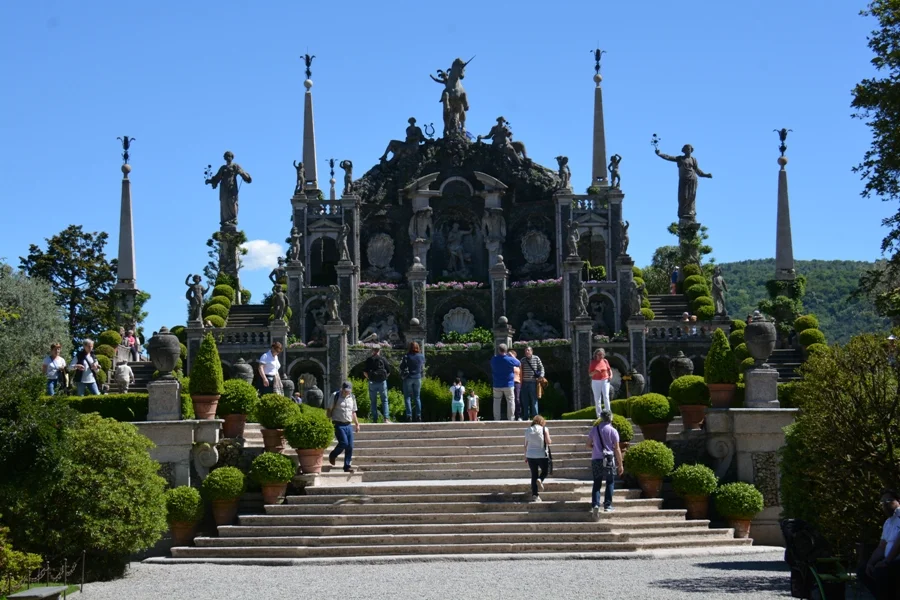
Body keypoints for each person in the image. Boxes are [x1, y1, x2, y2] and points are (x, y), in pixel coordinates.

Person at [858, 489, 900, 599]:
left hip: (896, 560)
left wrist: (886, 561)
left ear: (898, 501)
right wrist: (870, 563)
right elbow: (882, 546)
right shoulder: (888, 523)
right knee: (863, 572)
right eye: (882, 502)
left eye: (889, 500)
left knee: (882, 572)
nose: (885, 504)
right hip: (889, 560)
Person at [588, 410, 624, 518]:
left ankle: (595, 504)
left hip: (596, 459)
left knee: (597, 483)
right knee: (610, 482)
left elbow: (588, 444)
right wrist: (620, 464)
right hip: (608, 460)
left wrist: (595, 448)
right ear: (611, 418)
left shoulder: (594, 429)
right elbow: (617, 448)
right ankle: (607, 505)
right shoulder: (613, 431)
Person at [326, 382, 360, 473]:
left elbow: (353, 412)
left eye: (348, 391)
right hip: (338, 423)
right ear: (342, 388)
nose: (346, 393)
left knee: (350, 446)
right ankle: (333, 455)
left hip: (348, 424)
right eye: (345, 391)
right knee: (344, 443)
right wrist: (327, 421)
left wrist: (357, 424)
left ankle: (347, 466)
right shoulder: (335, 395)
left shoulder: (352, 397)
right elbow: (329, 409)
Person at [524, 415, 552, 502]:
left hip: (530, 455)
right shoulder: (544, 429)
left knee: (534, 475)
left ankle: (535, 495)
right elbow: (548, 441)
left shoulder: (528, 430)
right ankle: (540, 479)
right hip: (542, 455)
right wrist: (550, 441)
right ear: (542, 422)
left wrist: (525, 456)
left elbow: (525, 445)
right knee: (545, 471)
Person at [490, 344, 520, 421]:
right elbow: (518, 363)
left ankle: (496, 418)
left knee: (496, 401)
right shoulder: (509, 359)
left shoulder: (494, 359)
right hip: (508, 384)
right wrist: (512, 356)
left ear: (499, 350)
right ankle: (511, 418)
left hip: (497, 384)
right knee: (510, 401)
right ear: (506, 350)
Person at [364, 348, 391, 424]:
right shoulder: (383, 359)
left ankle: (374, 420)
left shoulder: (369, 359)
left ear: (372, 351)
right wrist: (384, 378)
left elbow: (365, 372)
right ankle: (386, 419)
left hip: (372, 382)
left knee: (373, 401)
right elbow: (388, 371)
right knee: (384, 400)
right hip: (382, 382)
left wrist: (370, 378)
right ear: (379, 351)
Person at [400, 342, 426, 422]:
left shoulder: (407, 356)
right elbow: (422, 366)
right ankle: (418, 415)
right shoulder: (421, 356)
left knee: (407, 397)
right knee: (417, 397)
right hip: (418, 378)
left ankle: (409, 415)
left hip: (408, 377)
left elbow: (402, 367)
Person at [519, 346, 545, 421]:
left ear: (532, 351)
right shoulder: (522, 360)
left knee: (534, 400)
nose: (527, 352)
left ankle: (535, 418)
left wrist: (541, 376)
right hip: (524, 383)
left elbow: (541, 368)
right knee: (525, 401)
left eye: (528, 350)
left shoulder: (536, 358)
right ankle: (525, 417)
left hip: (533, 382)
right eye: (526, 351)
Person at [589, 348, 612, 416]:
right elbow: (590, 374)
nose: (600, 356)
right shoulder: (593, 362)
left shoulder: (605, 361)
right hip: (596, 381)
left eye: (602, 354)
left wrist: (611, 375)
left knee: (606, 396)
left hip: (605, 380)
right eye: (599, 354)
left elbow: (609, 369)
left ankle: (609, 413)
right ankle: (599, 415)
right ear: (596, 355)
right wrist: (595, 372)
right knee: (597, 398)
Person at [509, 349, 523, 420]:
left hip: (517, 382)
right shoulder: (508, 363)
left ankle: (518, 415)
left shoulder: (518, 363)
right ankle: (511, 416)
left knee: (517, 399)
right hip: (509, 383)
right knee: (510, 400)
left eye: (511, 355)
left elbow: (521, 374)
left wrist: (521, 383)